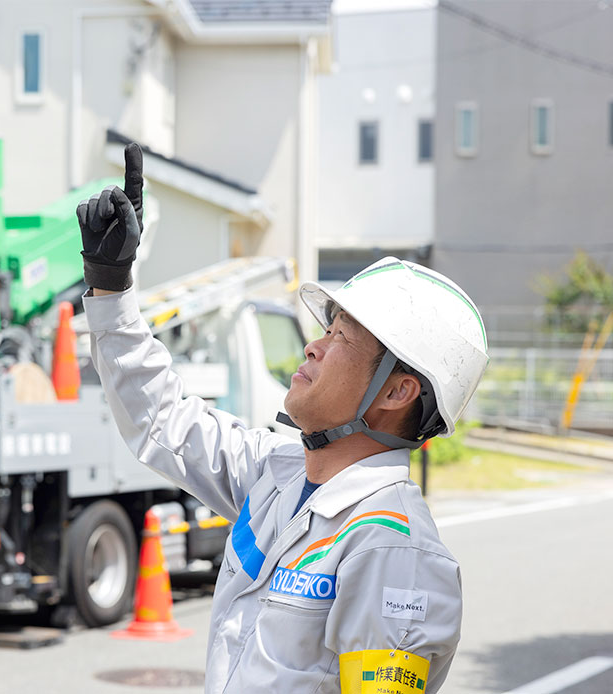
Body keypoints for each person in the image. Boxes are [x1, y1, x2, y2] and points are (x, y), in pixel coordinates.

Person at [76, 143, 489, 694]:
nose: (315, 346)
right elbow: (161, 418)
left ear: (397, 390)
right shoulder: (278, 474)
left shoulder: (392, 549)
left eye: (341, 336)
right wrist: (111, 285)